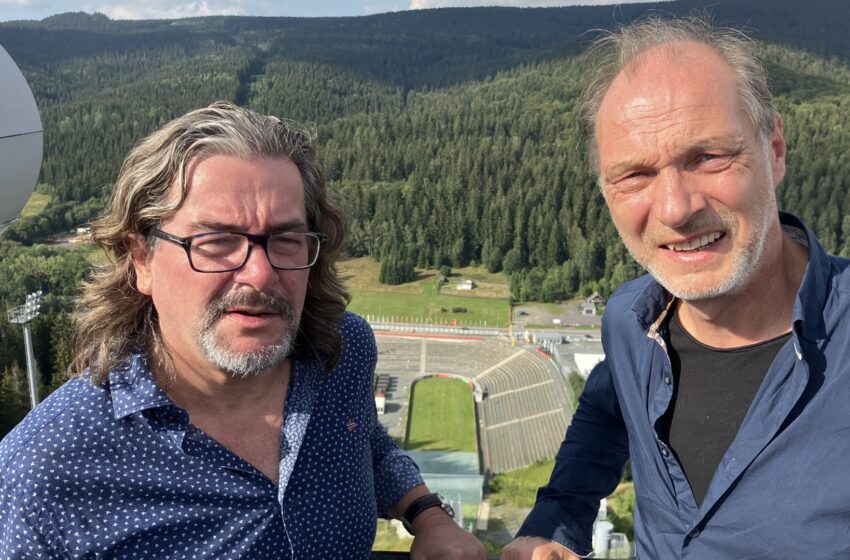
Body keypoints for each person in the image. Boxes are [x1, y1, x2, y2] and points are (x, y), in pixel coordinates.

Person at [0, 102, 487, 560]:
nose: (259, 274)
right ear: (142, 259)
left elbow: (365, 443)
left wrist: (426, 515)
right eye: (216, 242)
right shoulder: (45, 470)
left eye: (286, 239)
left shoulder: (343, 351)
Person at [502, 15, 850, 560]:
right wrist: (557, 520)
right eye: (634, 175)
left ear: (775, 150)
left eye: (708, 158)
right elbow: (604, 414)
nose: (675, 208)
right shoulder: (629, 321)